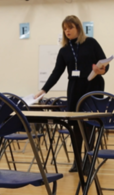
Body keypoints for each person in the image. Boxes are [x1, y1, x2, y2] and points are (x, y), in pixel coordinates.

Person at [34, 15, 109, 173]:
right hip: (74, 88)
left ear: (78, 28)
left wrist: (101, 69)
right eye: (65, 29)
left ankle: (89, 160)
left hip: (93, 86)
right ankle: (77, 161)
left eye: (70, 28)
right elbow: (57, 72)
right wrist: (43, 90)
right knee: (75, 126)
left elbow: (104, 65)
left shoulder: (91, 43)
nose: (67, 31)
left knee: (89, 124)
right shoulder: (64, 50)